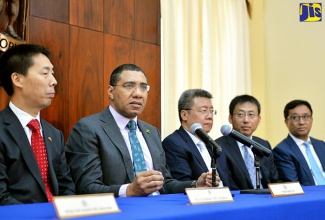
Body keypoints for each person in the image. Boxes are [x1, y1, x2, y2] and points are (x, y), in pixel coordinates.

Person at [65, 64, 219, 197]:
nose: (138, 94)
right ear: (110, 91)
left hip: (160, 208)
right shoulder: (89, 128)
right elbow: (86, 187)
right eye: (129, 86)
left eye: (143, 87)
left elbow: (165, 184)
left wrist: (195, 185)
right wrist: (129, 190)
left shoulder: (151, 132)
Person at [0, 44, 75, 205]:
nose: (54, 81)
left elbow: (66, 186)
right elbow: (1, 197)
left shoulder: (54, 134)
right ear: (17, 79)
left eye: (52, 74)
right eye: (45, 73)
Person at [162, 89, 236, 189]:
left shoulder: (214, 145)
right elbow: (181, 184)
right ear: (184, 115)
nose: (209, 116)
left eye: (211, 111)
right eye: (203, 111)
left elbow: (229, 183)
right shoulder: (174, 143)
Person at [215, 94, 279, 190]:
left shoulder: (264, 144)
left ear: (259, 119)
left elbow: (274, 180)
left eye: (251, 115)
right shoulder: (219, 146)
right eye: (240, 114)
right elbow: (227, 184)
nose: (246, 120)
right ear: (230, 118)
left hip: (267, 199)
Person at [273, 100, 325, 186]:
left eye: (305, 117)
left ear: (311, 119)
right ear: (286, 122)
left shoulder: (321, 145)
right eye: (295, 118)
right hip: (311, 197)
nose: (301, 122)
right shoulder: (281, 151)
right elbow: (293, 186)